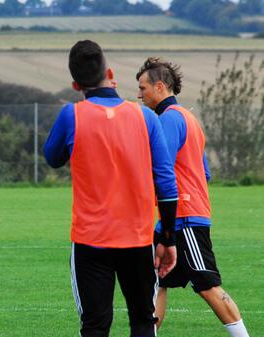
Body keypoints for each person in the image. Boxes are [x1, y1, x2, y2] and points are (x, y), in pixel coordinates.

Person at [43, 40, 179, 337]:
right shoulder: (145, 117)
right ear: (111, 72)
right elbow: (167, 184)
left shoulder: (71, 115)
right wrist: (168, 237)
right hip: (138, 238)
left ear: (76, 84)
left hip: (91, 241)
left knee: (95, 325)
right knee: (144, 321)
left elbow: (52, 157)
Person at [136, 57, 251, 337]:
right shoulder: (190, 119)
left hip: (184, 219)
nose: (139, 95)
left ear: (160, 87)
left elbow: (158, 167)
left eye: (142, 88)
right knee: (156, 281)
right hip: (178, 216)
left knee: (207, 285)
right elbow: (205, 174)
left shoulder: (169, 119)